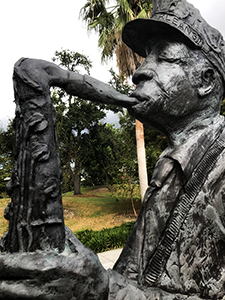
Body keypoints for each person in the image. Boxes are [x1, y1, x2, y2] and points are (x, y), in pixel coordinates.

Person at [0, 0, 225, 299]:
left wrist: (102, 289)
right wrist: (69, 264)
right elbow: (134, 278)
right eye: (146, 59)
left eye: (165, 57)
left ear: (206, 81)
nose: (139, 72)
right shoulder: (170, 164)